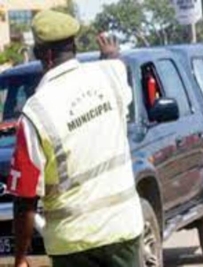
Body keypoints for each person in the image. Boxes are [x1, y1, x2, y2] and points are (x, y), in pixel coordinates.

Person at [7, 10, 144, 267]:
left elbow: (25, 198)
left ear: (44, 56)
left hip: (73, 245)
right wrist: (111, 55)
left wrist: (21, 257)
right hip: (122, 228)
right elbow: (118, 67)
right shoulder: (109, 75)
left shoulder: (36, 113)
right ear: (75, 47)